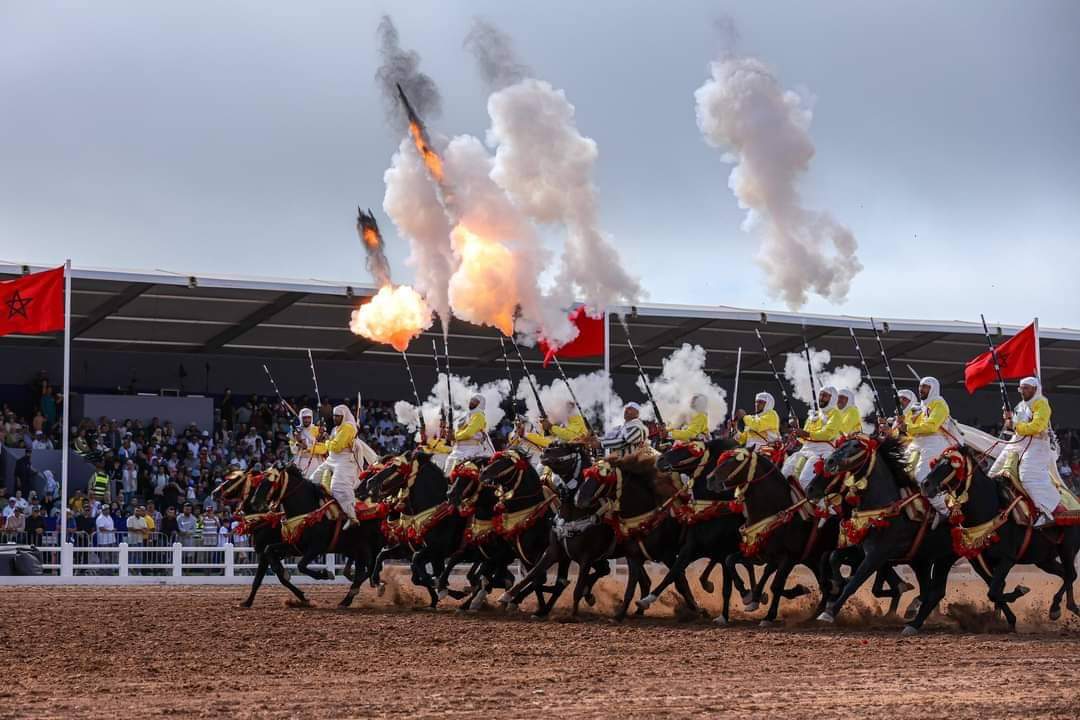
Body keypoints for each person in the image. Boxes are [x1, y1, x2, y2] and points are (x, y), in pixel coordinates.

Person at [1001, 377, 1061, 526]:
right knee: (995, 472)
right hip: (1018, 444)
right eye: (1021, 388)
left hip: (1037, 447)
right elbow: (1013, 427)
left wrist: (1014, 425)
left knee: (1027, 477)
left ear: (1035, 389)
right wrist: (1008, 420)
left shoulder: (1041, 403)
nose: (1023, 391)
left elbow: (1036, 427)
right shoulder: (1020, 405)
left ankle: (1046, 511)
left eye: (1026, 388)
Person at [896, 377, 957, 519]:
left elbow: (931, 426)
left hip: (935, 440)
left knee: (920, 476)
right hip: (919, 441)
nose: (921, 389)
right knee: (897, 468)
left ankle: (944, 510)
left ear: (933, 389)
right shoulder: (923, 406)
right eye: (920, 386)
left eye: (925, 387)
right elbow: (913, 427)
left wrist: (908, 427)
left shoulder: (940, 404)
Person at [782, 385, 842, 491]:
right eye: (821, 395)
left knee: (804, 480)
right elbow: (805, 438)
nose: (821, 398)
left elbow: (828, 434)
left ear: (832, 398)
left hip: (822, 451)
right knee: (784, 473)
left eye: (825, 396)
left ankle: (822, 505)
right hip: (805, 450)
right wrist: (797, 430)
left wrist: (806, 433)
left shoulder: (835, 413)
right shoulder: (813, 415)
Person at [311, 405, 362, 528]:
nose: (335, 418)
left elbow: (336, 447)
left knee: (337, 487)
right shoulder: (335, 429)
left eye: (338, 416)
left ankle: (352, 516)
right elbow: (331, 446)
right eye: (334, 416)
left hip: (343, 461)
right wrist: (325, 438)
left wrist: (327, 440)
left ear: (344, 416)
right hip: (331, 459)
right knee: (313, 480)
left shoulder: (348, 427)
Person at [446, 395, 494, 472]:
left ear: (480, 404)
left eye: (475, 401)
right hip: (458, 449)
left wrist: (454, 436)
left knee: (460, 472)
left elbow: (469, 433)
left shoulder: (479, 415)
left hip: (471, 449)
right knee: (447, 472)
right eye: (472, 400)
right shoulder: (467, 416)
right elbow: (460, 432)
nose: (472, 402)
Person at [290, 408, 324, 478]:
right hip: (300, 461)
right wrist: (298, 443)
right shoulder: (296, 430)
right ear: (301, 418)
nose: (307, 420)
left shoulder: (318, 430)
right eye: (304, 418)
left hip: (315, 462)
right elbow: (293, 450)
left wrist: (307, 447)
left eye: (309, 418)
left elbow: (324, 449)